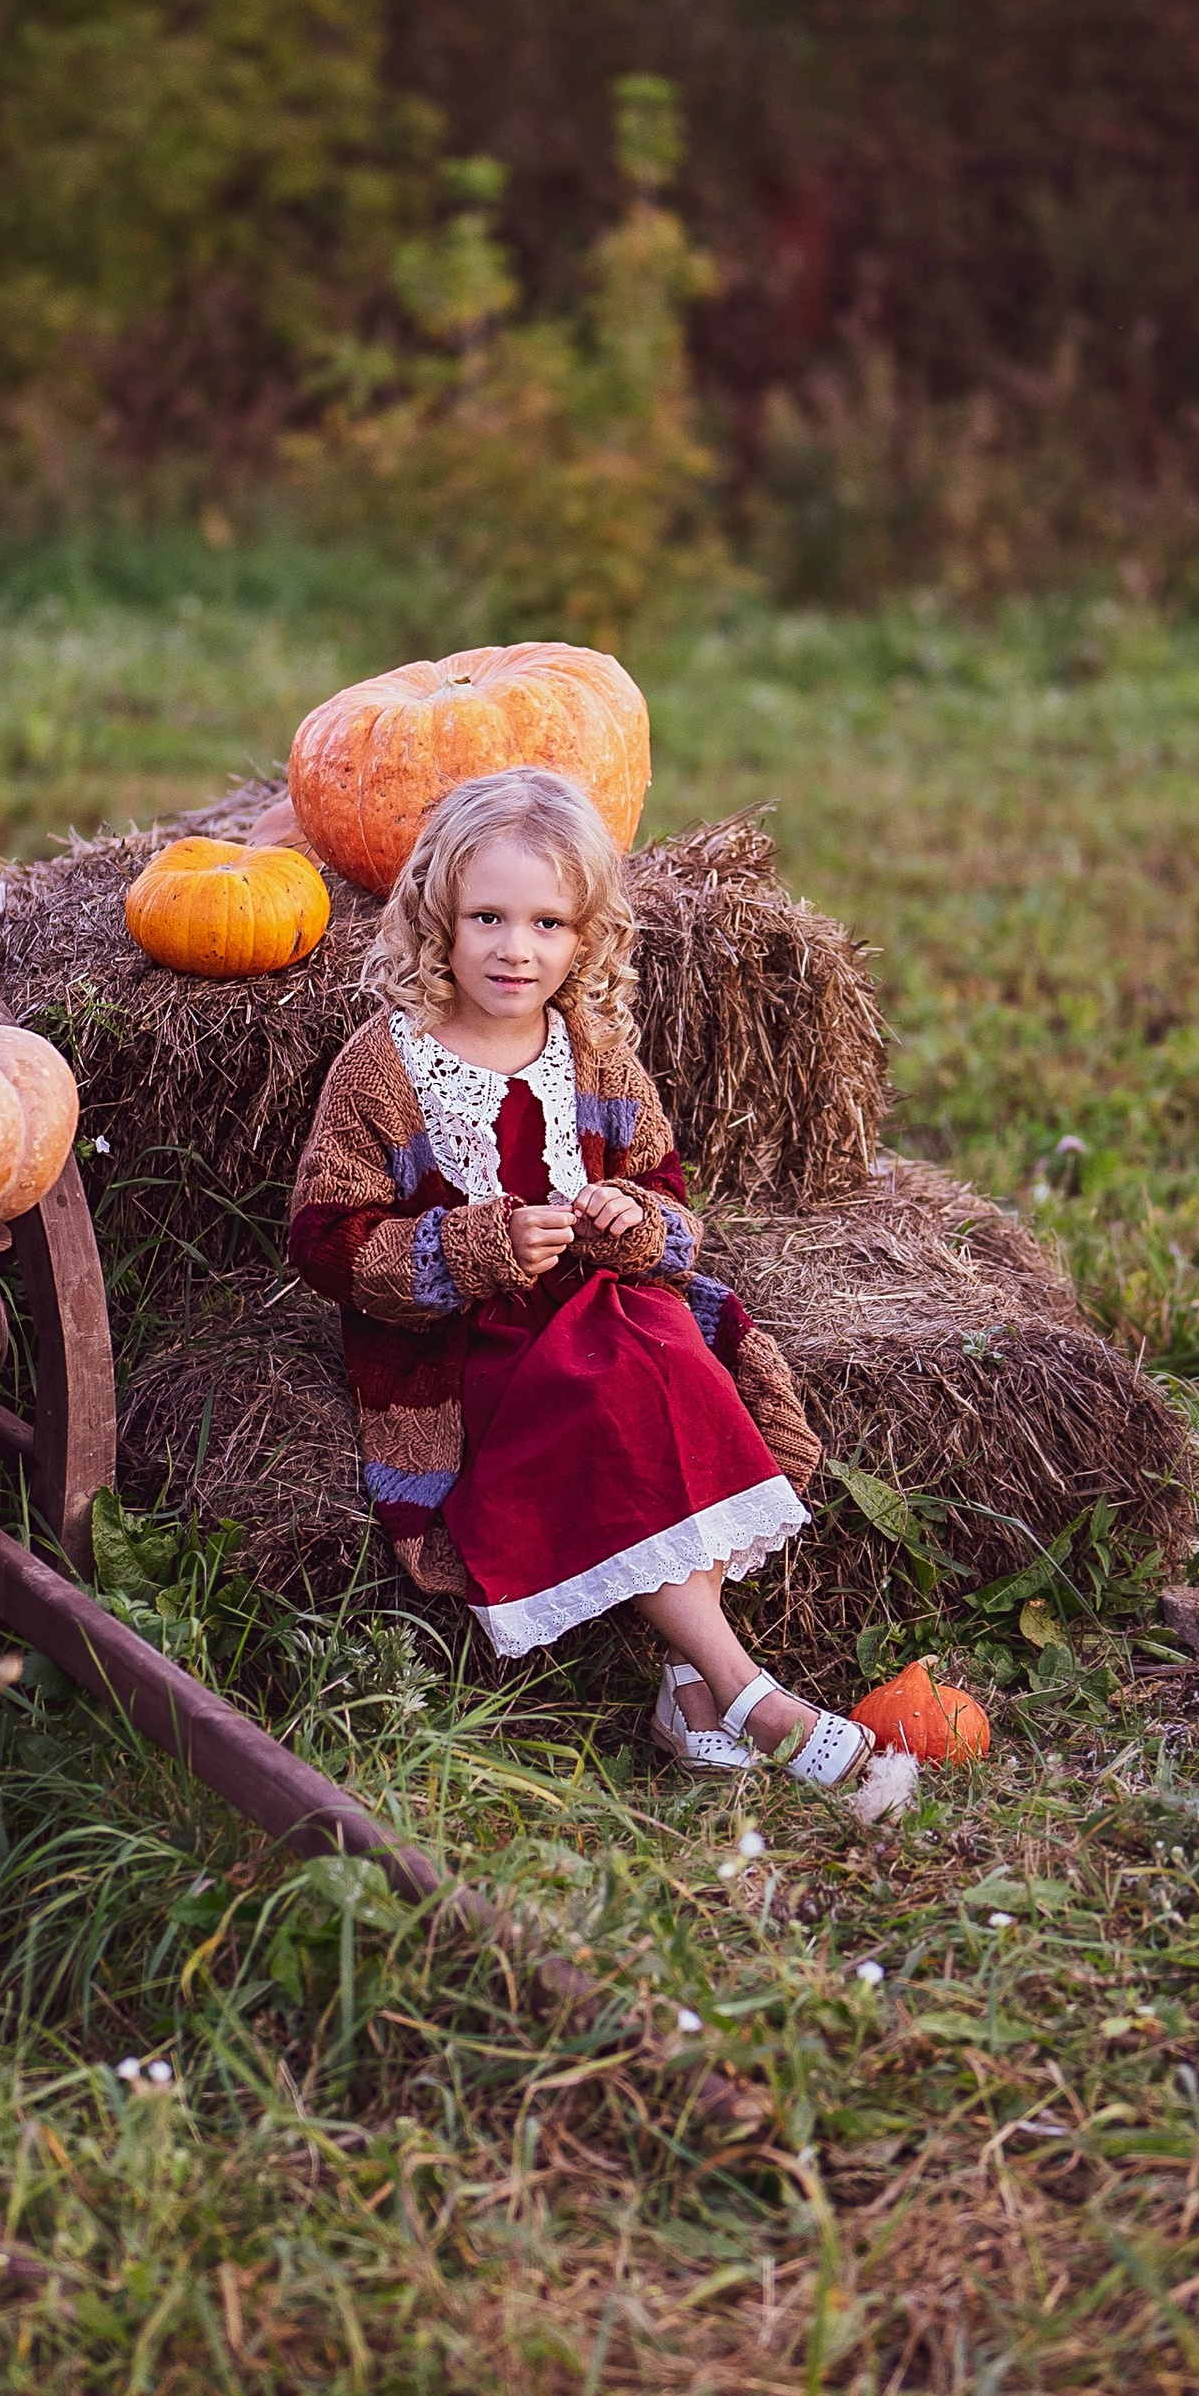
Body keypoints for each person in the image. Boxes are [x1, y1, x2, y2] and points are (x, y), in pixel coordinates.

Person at [287, 765, 907, 1795]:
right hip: (467, 1342)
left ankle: (703, 1687)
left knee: (675, 1364)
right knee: (609, 1392)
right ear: (438, 914)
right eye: (486, 916)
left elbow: (663, 1191)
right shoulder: (385, 1065)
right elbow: (323, 1238)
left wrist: (632, 1219)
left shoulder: (596, 1054)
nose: (514, 948)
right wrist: (471, 1247)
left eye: (547, 924)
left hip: (599, 1304)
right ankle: (745, 1691)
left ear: (585, 938)